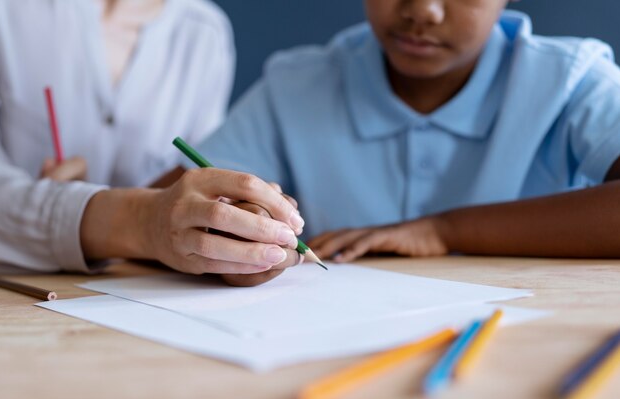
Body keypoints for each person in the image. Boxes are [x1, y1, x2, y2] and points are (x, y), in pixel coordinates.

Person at [188, 0, 620, 273]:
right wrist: (231, 226)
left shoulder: (571, 79)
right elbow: (173, 203)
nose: (423, 11)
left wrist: (446, 232)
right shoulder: (296, 84)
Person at [0, 0, 304, 284]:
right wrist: (136, 220)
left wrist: (225, 231)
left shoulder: (204, 34)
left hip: (137, 298)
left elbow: (198, 190)